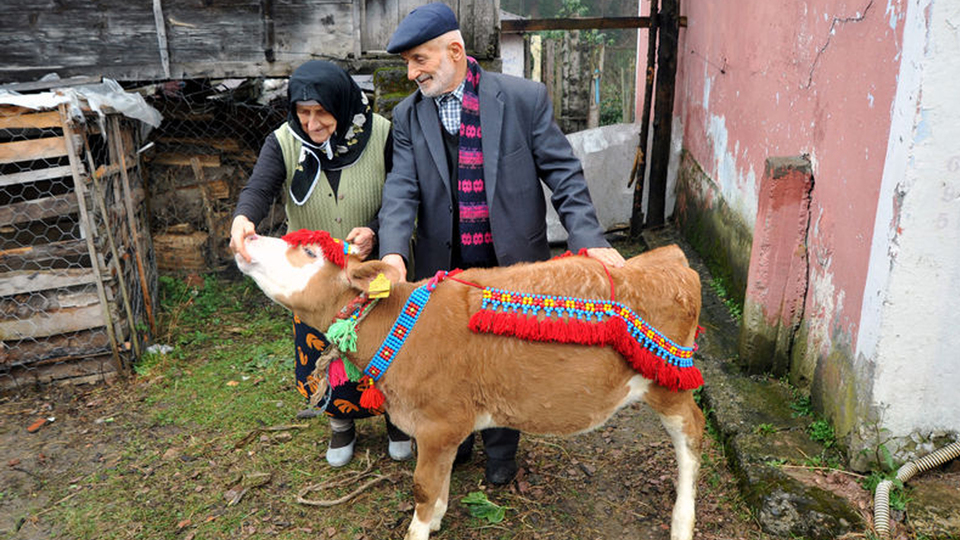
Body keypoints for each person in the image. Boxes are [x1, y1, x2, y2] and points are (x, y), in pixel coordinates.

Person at [377, 3, 626, 486]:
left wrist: (589, 240)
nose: (411, 73)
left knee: (508, 354)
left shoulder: (522, 98)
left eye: (419, 60)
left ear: (454, 50)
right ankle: (458, 437)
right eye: (407, 62)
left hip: (511, 260)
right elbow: (401, 188)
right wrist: (392, 253)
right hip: (441, 265)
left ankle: (502, 448)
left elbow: (564, 173)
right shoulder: (407, 116)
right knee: (449, 357)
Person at [230, 60, 411, 468]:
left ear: (342, 105)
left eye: (322, 112)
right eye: (303, 112)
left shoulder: (381, 133)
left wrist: (377, 230)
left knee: (389, 346)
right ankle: (340, 422)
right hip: (316, 279)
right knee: (324, 350)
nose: (311, 123)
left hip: (372, 268)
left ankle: (398, 421)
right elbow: (259, 187)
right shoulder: (283, 142)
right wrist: (244, 217)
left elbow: (404, 192)